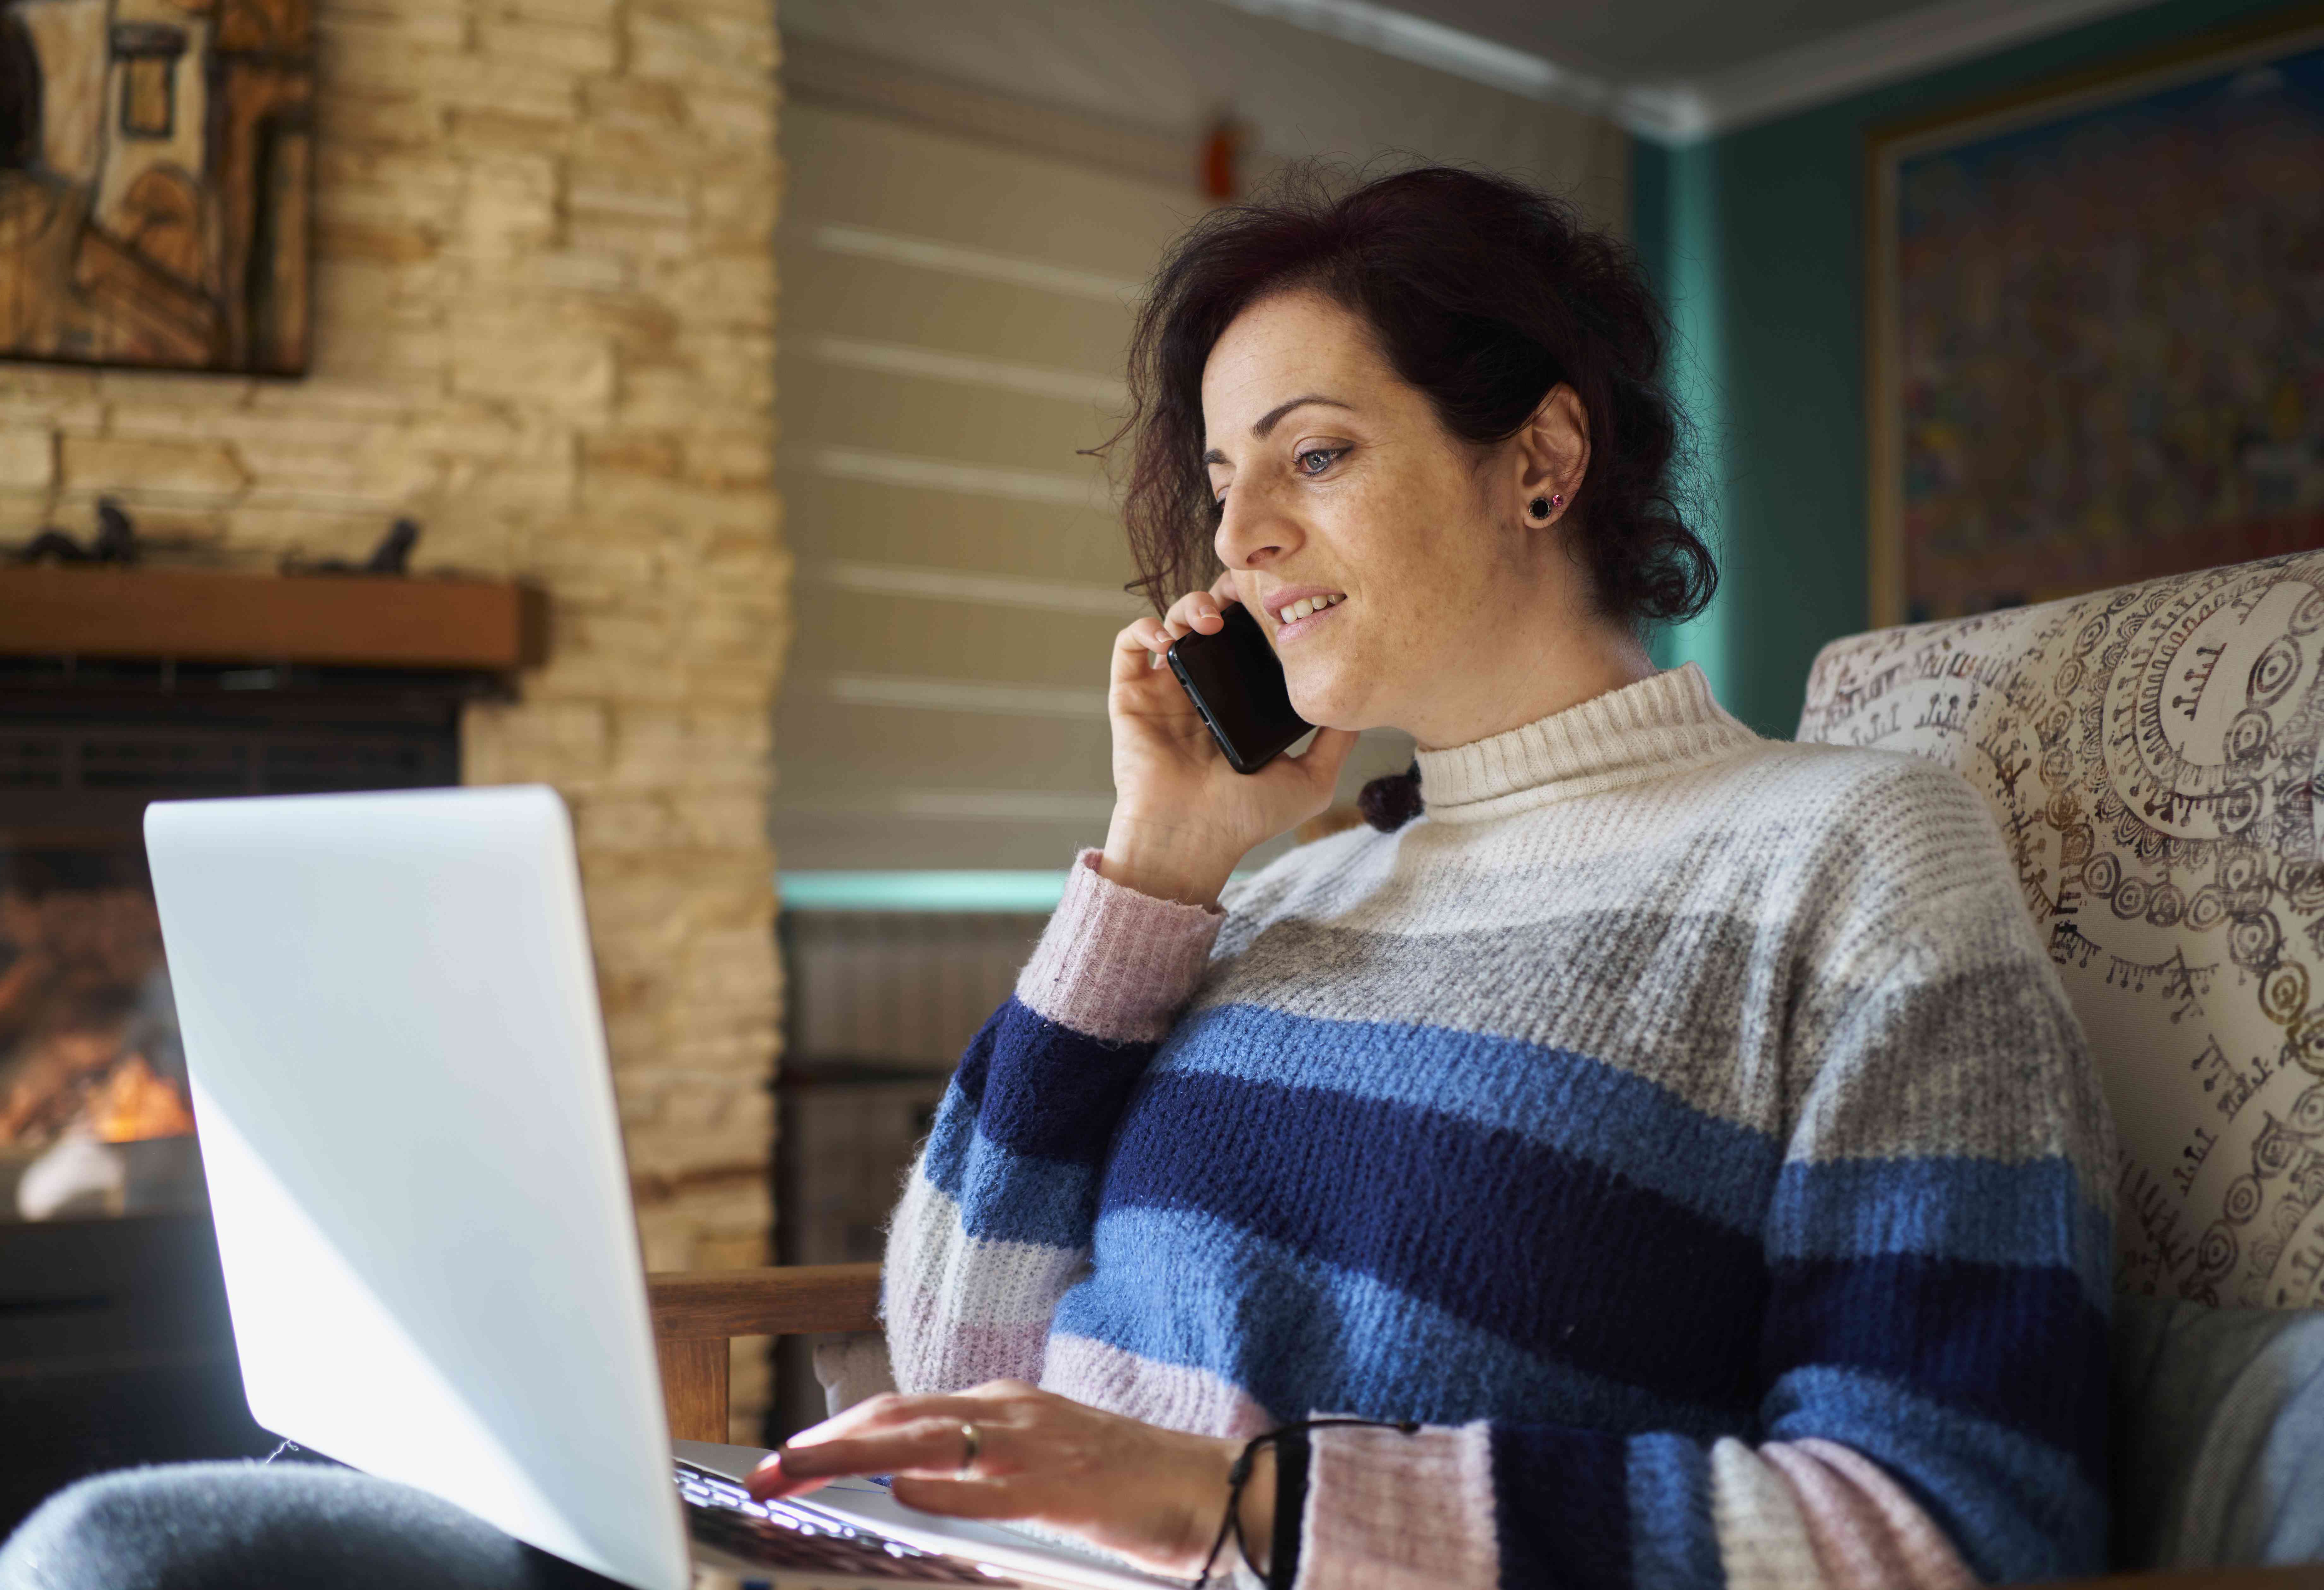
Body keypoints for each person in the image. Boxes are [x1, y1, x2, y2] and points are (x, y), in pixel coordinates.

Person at [741, 165, 2117, 1589]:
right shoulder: (1264, 898)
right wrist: (1158, 865)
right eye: (1223, 483)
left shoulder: (1852, 857)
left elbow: (1956, 1521)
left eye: (1315, 455)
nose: (1236, 537)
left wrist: (1245, 1504)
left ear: (1544, 459)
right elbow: (961, 1360)